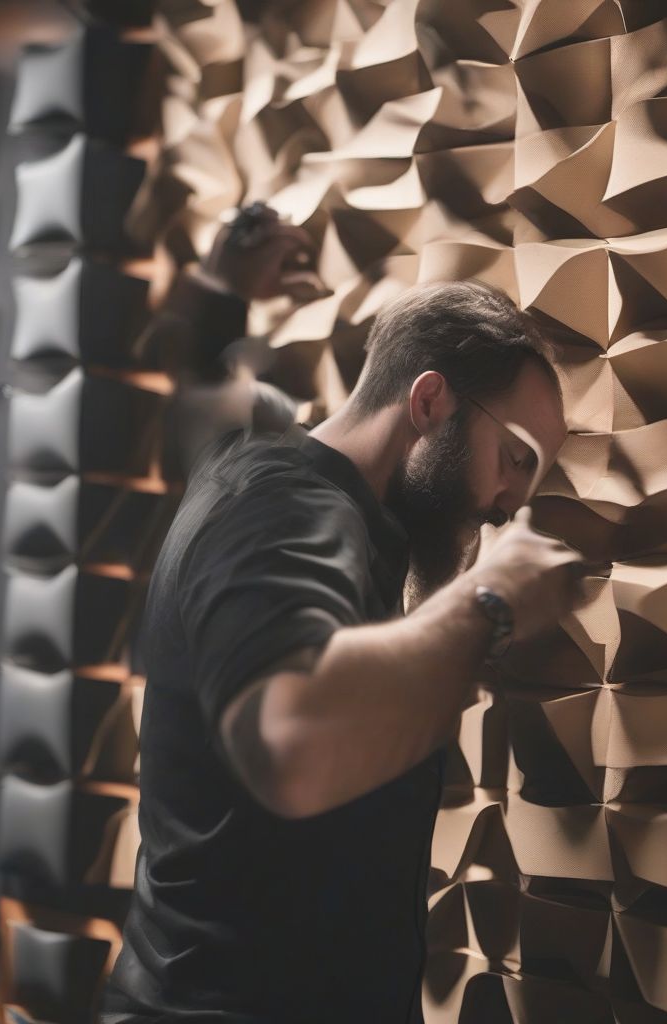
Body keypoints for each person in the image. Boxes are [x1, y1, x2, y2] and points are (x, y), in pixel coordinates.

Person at [101, 205, 586, 1024]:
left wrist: (224, 287)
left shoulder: (258, 467)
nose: (511, 505)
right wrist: (489, 601)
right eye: (515, 460)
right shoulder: (288, 511)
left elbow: (199, 395)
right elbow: (291, 741)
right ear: (430, 401)